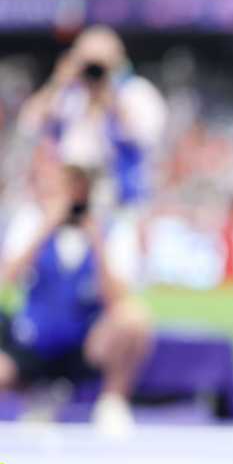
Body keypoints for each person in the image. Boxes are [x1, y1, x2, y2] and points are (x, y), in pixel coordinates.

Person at [0, 163, 151, 435]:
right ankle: (37, 396)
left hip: (85, 342)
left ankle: (112, 402)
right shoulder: (31, 220)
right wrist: (46, 226)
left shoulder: (112, 230)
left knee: (134, 318)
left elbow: (117, 299)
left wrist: (96, 243)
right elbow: (7, 278)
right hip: (34, 340)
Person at [18, 25, 166, 209]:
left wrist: (110, 95)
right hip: (68, 198)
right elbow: (28, 124)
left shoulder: (136, 93)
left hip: (121, 203)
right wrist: (58, 80)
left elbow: (143, 138)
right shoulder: (69, 94)